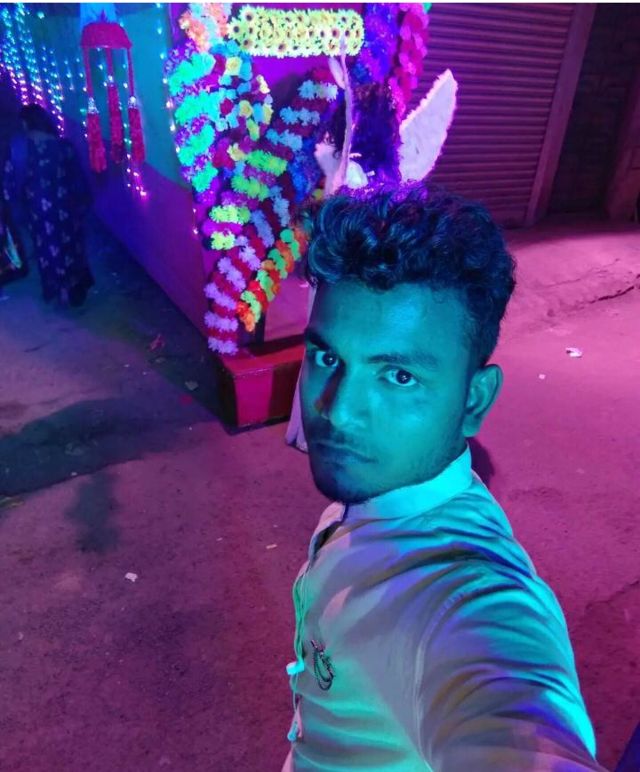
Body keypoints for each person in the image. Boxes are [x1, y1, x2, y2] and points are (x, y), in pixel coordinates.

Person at [282, 183, 606, 771]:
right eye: (327, 358)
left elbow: (512, 717)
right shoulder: (371, 496)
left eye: (398, 376)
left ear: (474, 401)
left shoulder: (467, 603)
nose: (337, 410)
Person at [2, 104, 93, 306]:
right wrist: (82, 207)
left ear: (25, 124)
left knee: (48, 251)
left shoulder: (19, 149)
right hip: (67, 210)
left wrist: (13, 210)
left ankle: (59, 289)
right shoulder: (64, 147)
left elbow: (8, 183)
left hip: (38, 214)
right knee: (71, 248)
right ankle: (74, 286)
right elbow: (78, 181)